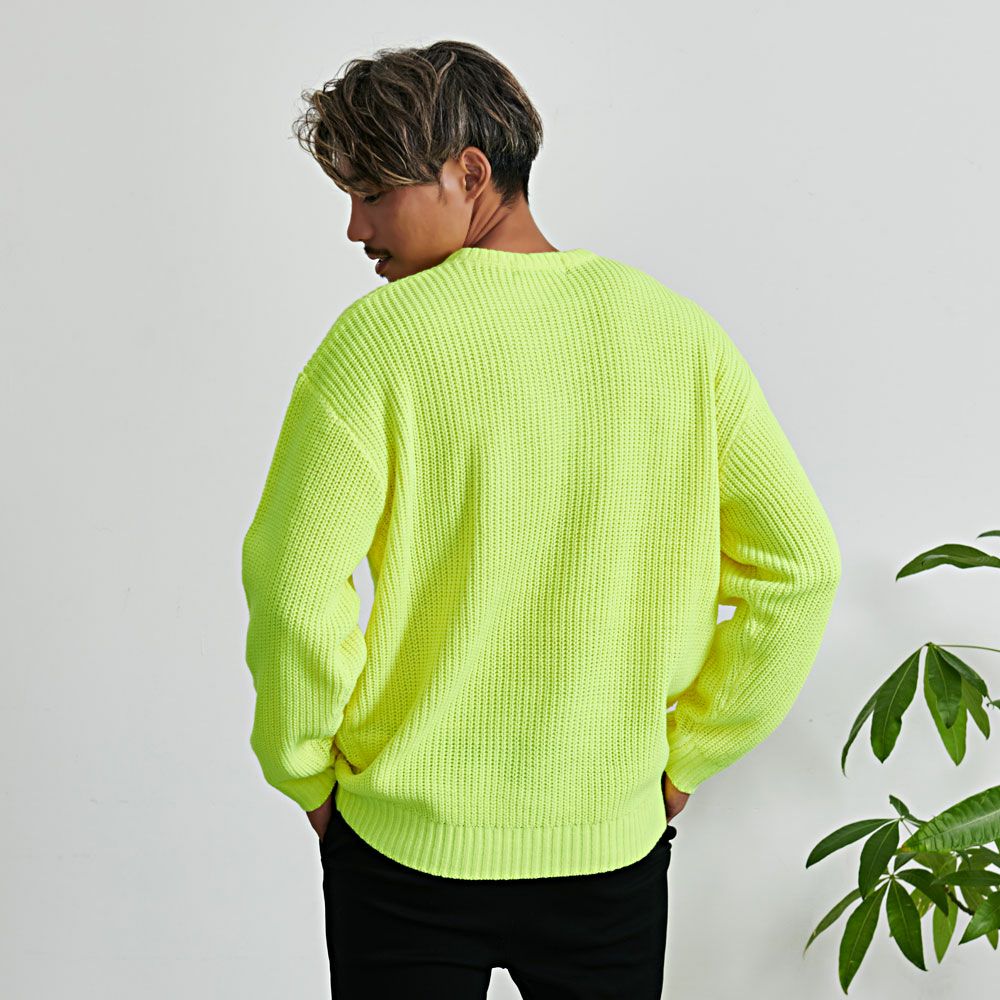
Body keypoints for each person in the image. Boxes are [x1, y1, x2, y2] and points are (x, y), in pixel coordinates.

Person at [240, 39, 841, 999]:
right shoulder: (678, 336)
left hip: (402, 851)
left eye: (374, 193)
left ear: (470, 173)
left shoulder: (376, 346)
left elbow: (292, 585)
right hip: (611, 848)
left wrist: (304, 769)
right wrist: (690, 756)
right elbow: (801, 566)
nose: (354, 228)